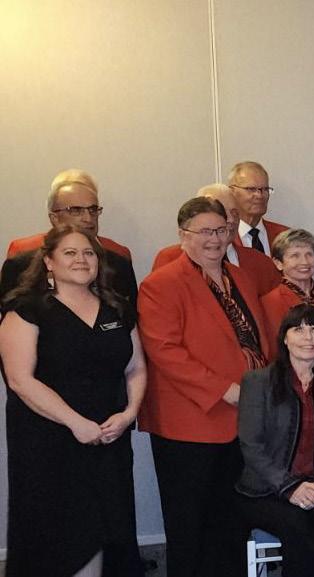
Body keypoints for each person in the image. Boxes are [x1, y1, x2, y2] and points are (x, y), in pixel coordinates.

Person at [138, 196, 273, 577]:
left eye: (221, 230)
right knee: (190, 527)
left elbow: (255, 339)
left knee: (231, 523)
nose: (215, 239)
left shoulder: (241, 278)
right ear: (183, 235)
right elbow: (165, 351)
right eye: (204, 232)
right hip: (190, 424)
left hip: (241, 420)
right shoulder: (160, 284)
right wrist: (224, 390)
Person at [0, 225, 145, 576]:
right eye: (70, 252)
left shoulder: (117, 308)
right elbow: (20, 380)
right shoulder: (26, 308)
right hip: (48, 443)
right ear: (48, 261)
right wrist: (75, 423)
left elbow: (137, 367)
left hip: (108, 439)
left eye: (88, 253)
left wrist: (129, 414)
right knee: (63, 539)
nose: (81, 259)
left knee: (107, 532)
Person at [236, 305, 314, 577]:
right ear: (285, 338)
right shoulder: (257, 382)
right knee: (298, 527)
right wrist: (290, 487)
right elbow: (252, 447)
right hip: (267, 488)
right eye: (298, 330)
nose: (308, 337)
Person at [2, 171, 138, 311]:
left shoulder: (119, 264)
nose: (88, 218)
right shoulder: (19, 265)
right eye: (76, 210)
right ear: (54, 218)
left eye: (93, 209)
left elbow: (129, 316)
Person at [152, 183, 281, 295]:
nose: (231, 220)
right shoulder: (169, 258)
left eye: (235, 213)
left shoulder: (260, 262)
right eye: (221, 212)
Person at [260, 228, 314, 370]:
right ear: (278, 263)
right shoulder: (268, 304)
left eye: (309, 254)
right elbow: (273, 353)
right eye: (295, 256)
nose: (304, 262)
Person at [229, 161, 291, 257]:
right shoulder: (222, 238)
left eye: (265, 189)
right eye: (251, 189)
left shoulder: (285, 237)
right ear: (232, 192)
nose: (259, 195)